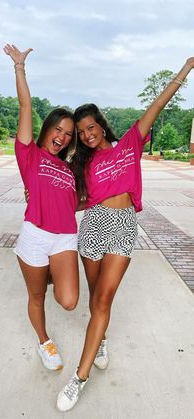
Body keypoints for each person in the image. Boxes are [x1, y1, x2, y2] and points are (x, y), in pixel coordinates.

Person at [57, 57, 194, 411]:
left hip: (123, 226)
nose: (87, 134)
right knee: (94, 295)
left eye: (90, 127)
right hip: (93, 225)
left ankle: (79, 377)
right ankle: (99, 339)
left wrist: (185, 70)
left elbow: (157, 104)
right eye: (81, 131)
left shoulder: (130, 143)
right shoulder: (83, 164)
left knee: (104, 299)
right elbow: (73, 199)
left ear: (101, 125)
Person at [4, 44, 79, 371]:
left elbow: (77, 202)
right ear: (47, 129)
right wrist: (20, 68)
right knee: (36, 298)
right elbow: (25, 104)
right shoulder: (29, 155)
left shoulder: (69, 170)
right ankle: (44, 341)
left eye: (68, 134)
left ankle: (49, 271)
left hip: (63, 239)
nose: (61, 137)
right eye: (57, 130)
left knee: (69, 301)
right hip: (34, 236)